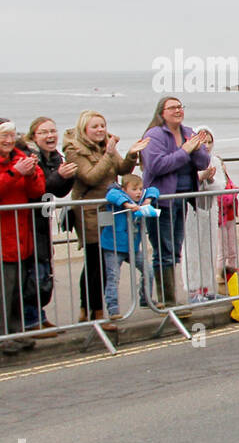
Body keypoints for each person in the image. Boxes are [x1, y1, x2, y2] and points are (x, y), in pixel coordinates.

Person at [63, 111, 147, 322]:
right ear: (84, 130)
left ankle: (91, 308)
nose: (101, 130)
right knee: (94, 259)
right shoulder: (74, 150)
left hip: (110, 209)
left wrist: (131, 155)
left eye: (103, 125)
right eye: (95, 127)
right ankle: (94, 309)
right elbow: (90, 177)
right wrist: (109, 153)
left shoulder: (106, 146)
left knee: (103, 258)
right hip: (89, 210)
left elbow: (121, 169)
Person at [140, 96, 211, 308]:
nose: (178, 111)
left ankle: (165, 300)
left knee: (174, 249)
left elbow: (203, 163)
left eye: (180, 107)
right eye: (172, 108)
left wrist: (197, 148)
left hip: (182, 198)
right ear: (162, 112)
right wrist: (185, 151)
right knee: (164, 250)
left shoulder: (187, 132)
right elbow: (157, 166)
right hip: (159, 201)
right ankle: (167, 301)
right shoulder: (154, 135)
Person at [21, 117, 76, 334]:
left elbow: (59, 191)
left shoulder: (55, 157)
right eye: (44, 132)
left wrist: (69, 176)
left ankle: (39, 316)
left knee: (44, 272)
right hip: (28, 220)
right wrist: (59, 176)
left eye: (53, 131)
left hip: (44, 220)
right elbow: (39, 188)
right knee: (34, 272)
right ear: (34, 136)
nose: (50, 136)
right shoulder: (30, 156)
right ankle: (32, 320)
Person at [0, 121, 47, 352]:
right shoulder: (14, 164)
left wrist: (28, 174)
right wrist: (14, 173)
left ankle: (17, 332)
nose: (8, 141)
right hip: (4, 235)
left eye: (10, 136)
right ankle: (4, 336)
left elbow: (37, 191)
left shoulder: (21, 157)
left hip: (20, 234)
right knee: (4, 290)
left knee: (18, 288)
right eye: (3, 137)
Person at [181, 126, 233, 303]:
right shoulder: (188, 161)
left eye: (210, 142)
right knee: (192, 250)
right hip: (191, 211)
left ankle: (206, 288)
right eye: (204, 142)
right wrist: (200, 177)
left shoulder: (215, 161)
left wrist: (209, 179)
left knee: (208, 249)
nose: (208, 146)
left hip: (209, 209)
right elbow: (185, 185)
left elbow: (221, 186)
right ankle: (193, 291)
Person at [100, 174, 159, 328]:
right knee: (113, 277)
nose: (138, 192)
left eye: (140, 189)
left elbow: (153, 190)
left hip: (132, 247)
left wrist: (148, 200)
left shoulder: (141, 199)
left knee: (148, 270)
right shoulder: (117, 197)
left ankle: (145, 298)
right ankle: (113, 309)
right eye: (134, 189)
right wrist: (127, 204)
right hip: (113, 246)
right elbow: (112, 193)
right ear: (125, 189)